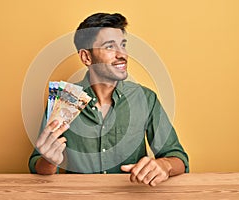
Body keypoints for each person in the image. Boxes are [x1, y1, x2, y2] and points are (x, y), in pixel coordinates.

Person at [29, 13, 189, 186]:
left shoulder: (145, 98)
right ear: (86, 57)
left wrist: (164, 165)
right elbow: (37, 165)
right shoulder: (64, 99)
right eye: (109, 47)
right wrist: (49, 161)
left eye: (123, 45)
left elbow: (178, 158)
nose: (122, 55)